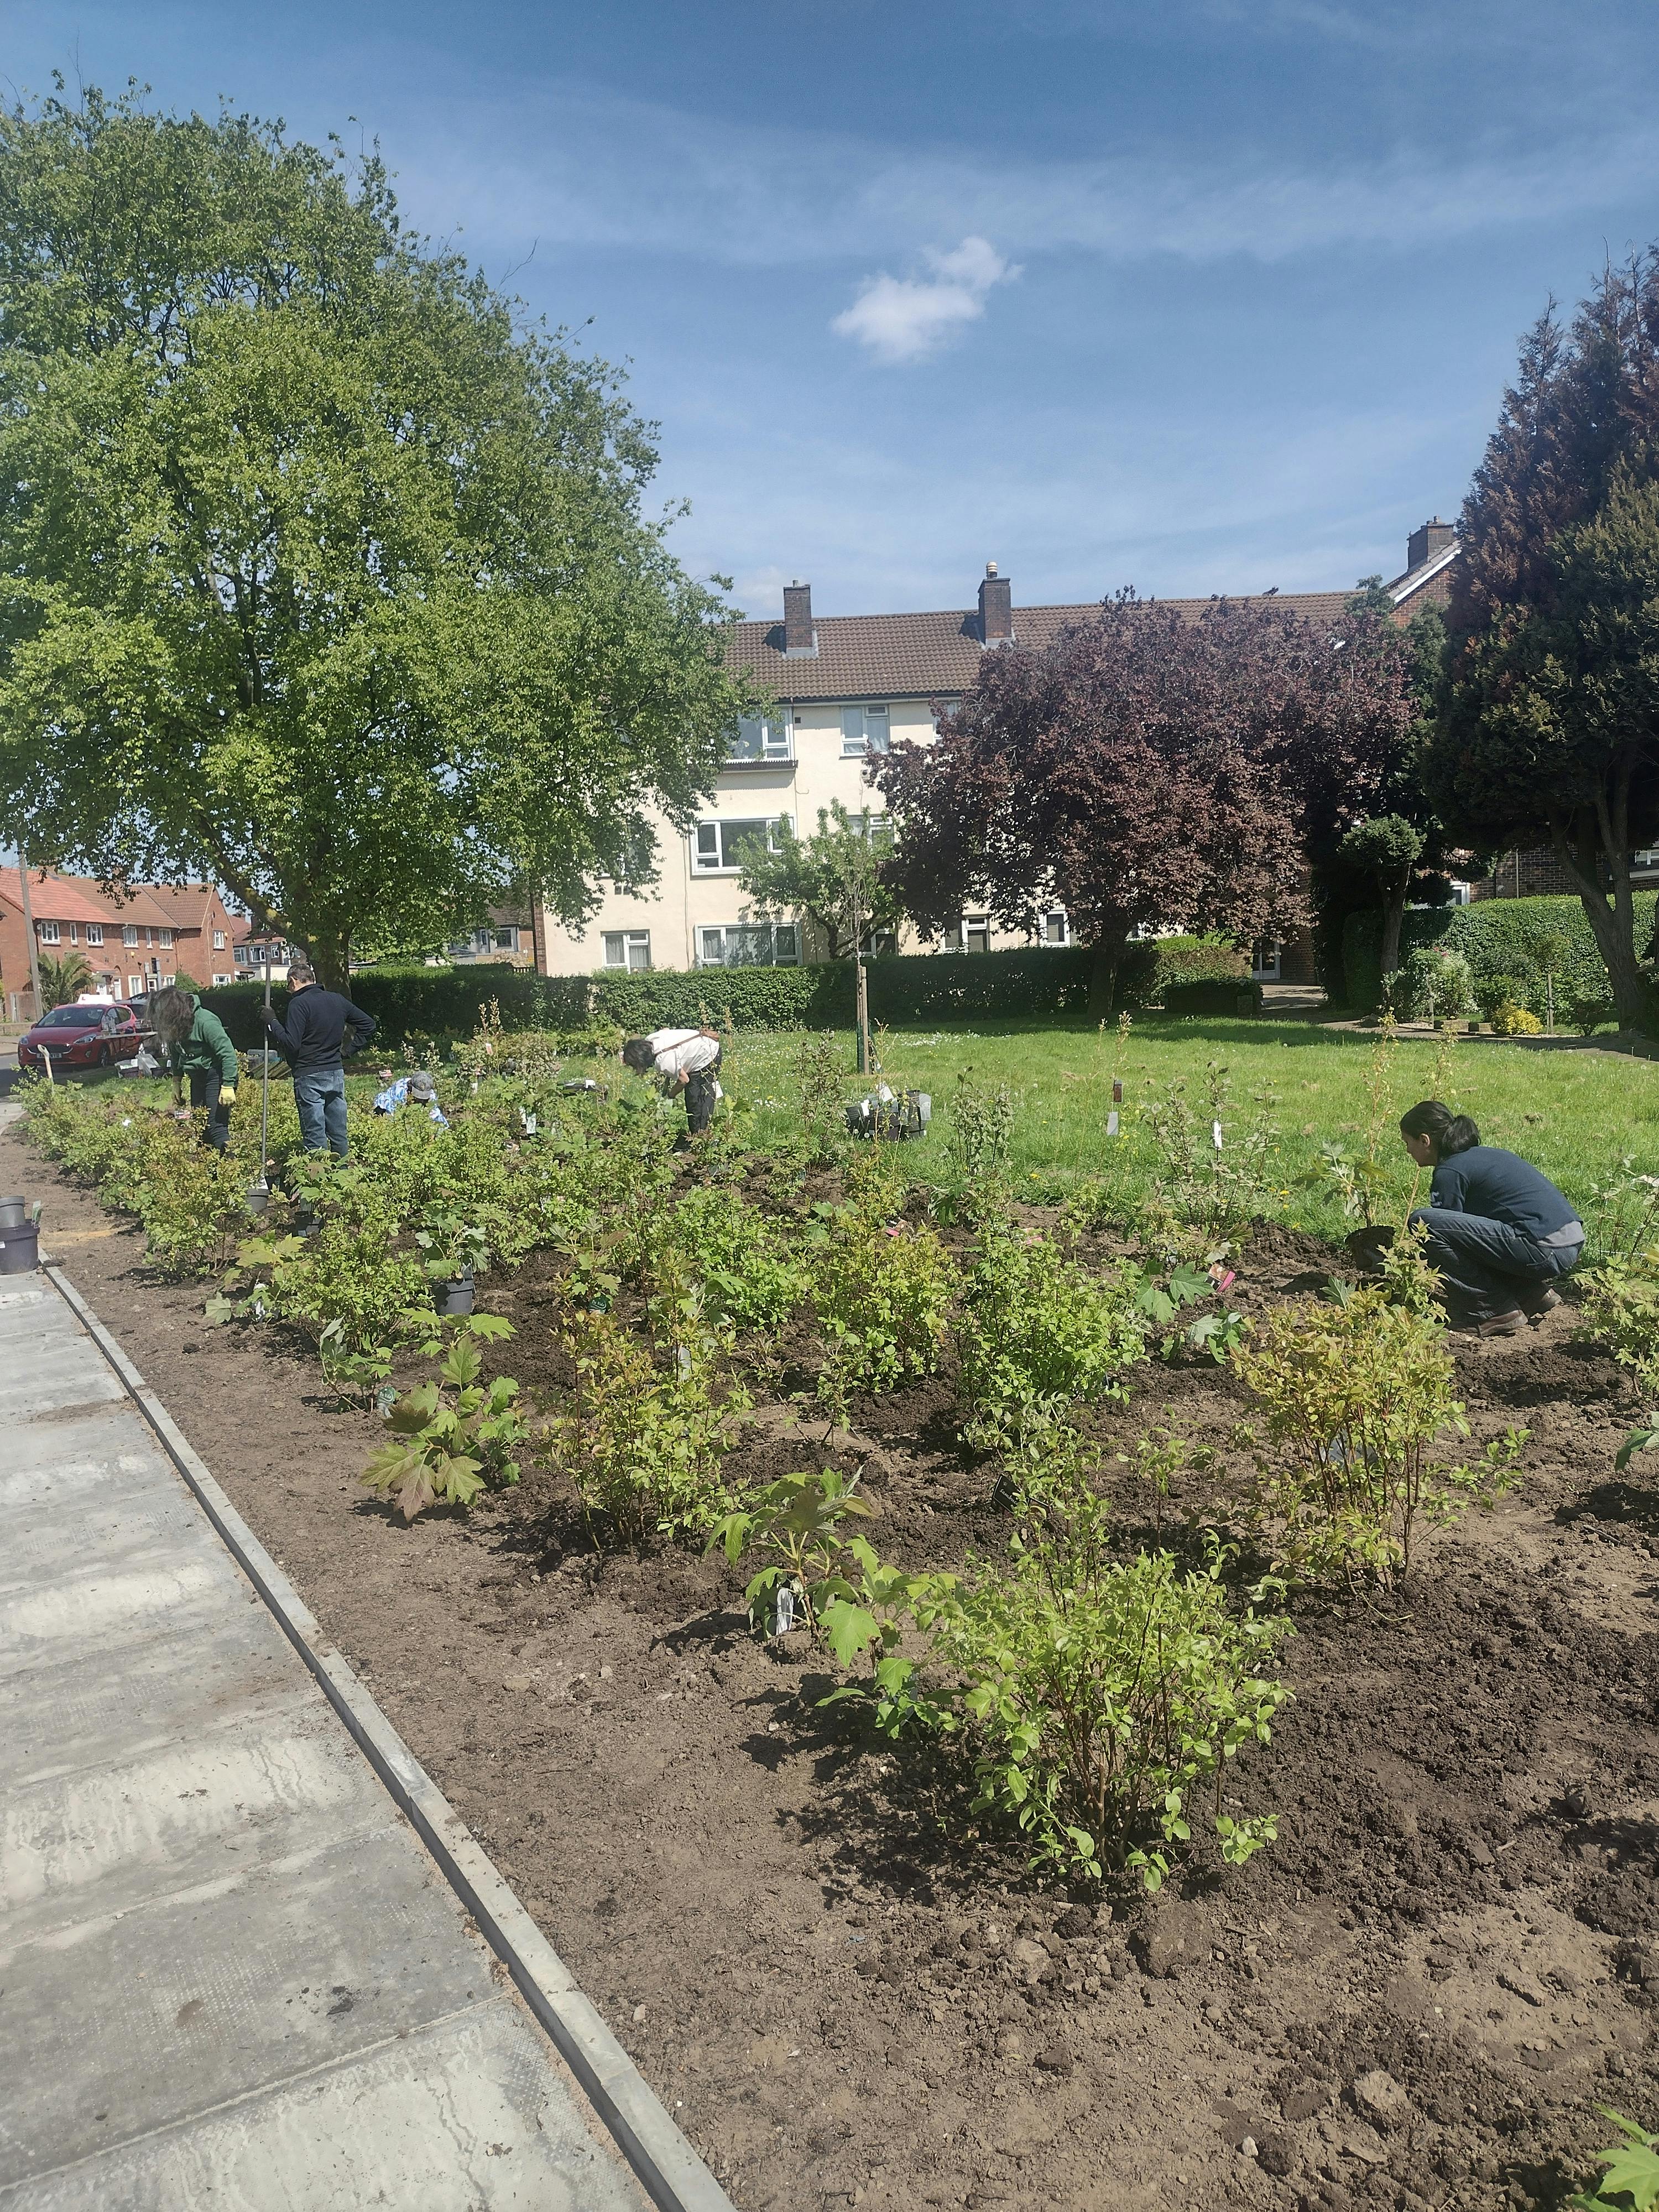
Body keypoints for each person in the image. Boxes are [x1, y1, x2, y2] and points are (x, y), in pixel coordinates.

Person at [1398, 1099, 1585, 1339]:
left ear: (1425, 1140)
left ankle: (1492, 1311)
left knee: (1424, 1222)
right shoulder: (1483, 1156)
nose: (1407, 1151)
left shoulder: (1450, 1171)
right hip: (1567, 1241)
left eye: (1408, 1143)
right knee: (1468, 1234)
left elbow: (1444, 1239)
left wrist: (1402, 1261)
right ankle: (1530, 1293)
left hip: (1542, 1249)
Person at [263, 962, 377, 1158]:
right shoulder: (337, 1000)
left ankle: (320, 1181)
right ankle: (341, 1178)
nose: (289, 991)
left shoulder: (299, 1004)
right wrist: (347, 1052)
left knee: (315, 1136)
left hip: (309, 1076)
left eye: (288, 986)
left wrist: (272, 1022)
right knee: (339, 1134)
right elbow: (369, 1024)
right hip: (335, 1073)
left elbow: (292, 1043)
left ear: (293, 981)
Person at [148, 985, 240, 1151]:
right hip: (196, 1077)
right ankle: (210, 1175)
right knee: (200, 1127)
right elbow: (176, 1054)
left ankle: (232, 1169)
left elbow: (227, 1054)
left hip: (215, 1074)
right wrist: (176, 1081)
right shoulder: (175, 1026)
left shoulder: (205, 1022)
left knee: (216, 1127)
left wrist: (228, 1085)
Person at [620, 1025, 723, 1137]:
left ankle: (702, 1136)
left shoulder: (663, 1060)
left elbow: (684, 1080)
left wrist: (670, 1096)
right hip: (703, 1043)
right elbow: (666, 1030)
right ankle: (699, 1134)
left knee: (696, 1100)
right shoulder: (651, 1039)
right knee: (695, 1097)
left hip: (708, 1054)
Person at [372, 1068, 448, 1125]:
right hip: (391, 1106)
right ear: (411, 1088)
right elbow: (395, 1115)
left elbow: (436, 1114)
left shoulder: (431, 1095)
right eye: (418, 1096)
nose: (421, 1100)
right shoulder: (401, 1091)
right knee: (383, 1098)